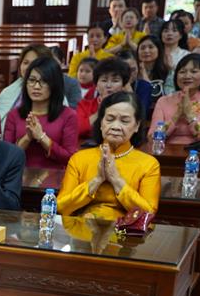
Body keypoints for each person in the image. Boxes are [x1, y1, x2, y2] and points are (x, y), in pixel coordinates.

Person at [58, 92, 159, 221]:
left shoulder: (149, 164)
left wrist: (116, 180)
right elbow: (61, 207)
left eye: (124, 121)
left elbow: (148, 214)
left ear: (137, 126)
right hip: (81, 227)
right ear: (101, 123)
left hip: (125, 230)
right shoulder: (79, 159)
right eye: (110, 119)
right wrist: (96, 180)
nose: (115, 126)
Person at [2, 57, 79, 169]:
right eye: (32, 80)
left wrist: (41, 137)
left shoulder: (68, 115)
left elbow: (70, 158)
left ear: (55, 84)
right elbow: (6, 157)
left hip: (55, 177)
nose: (36, 86)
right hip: (18, 176)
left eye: (44, 81)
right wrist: (27, 138)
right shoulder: (14, 115)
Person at [149, 52, 200, 145]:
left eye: (194, 71)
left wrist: (189, 115)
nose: (187, 76)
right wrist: (177, 115)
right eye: (182, 72)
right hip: (164, 150)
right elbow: (151, 137)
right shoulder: (163, 101)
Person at [76, 58, 132, 139]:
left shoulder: (130, 107)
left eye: (115, 81)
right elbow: (79, 129)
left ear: (123, 86)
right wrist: (102, 108)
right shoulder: (83, 105)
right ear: (96, 86)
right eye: (104, 80)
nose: (109, 85)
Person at [137, 34, 168, 102]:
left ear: (159, 50)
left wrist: (144, 74)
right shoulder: (133, 72)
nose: (146, 51)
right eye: (142, 48)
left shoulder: (166, 72)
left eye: (151, 47)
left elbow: (154, 95)